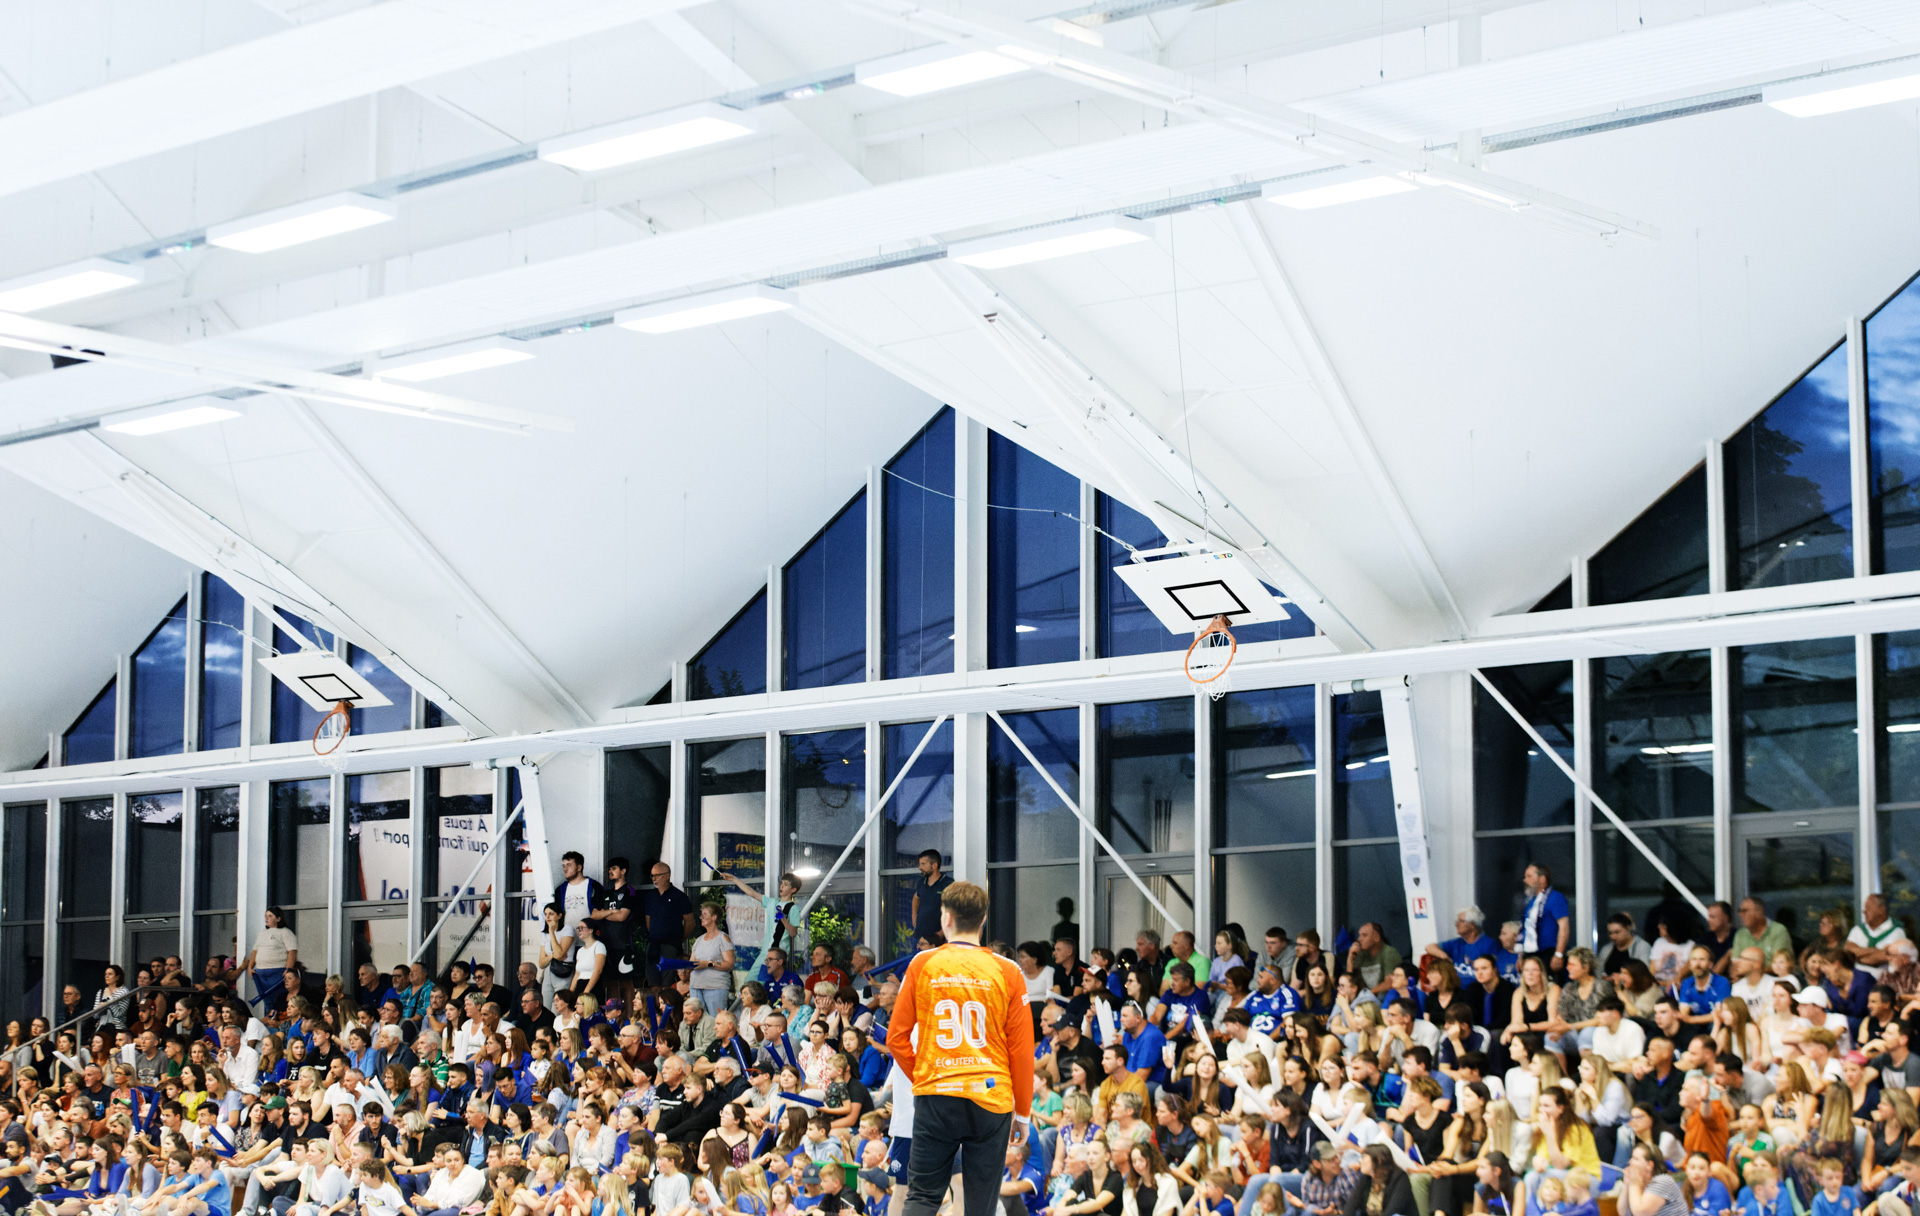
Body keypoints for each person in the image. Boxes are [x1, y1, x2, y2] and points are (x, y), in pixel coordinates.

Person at [889, 879, 1034, 1216]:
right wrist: (1023, 1113)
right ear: (983, 920)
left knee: (922, 1197)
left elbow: (896, 1038)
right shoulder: (1008, 970)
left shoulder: (922, 964)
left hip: (938, 1093)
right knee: (980, 1205)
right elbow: (1022, 1050)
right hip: (990, 1095)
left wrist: (924, 1077)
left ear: (946, 918)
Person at [640, 863, 696, 988]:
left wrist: (680, 939)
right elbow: (648, 921)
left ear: (667, 876)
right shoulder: (650, 897)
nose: (654, 878)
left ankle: (666, 1000)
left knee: (668, 981)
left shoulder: (679, 896)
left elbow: (690, 922)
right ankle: (655, 1001)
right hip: (653, 944)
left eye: (657, 875)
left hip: (671, 945)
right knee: (652, 980)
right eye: (652, 876)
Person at [241, 909, 299, 1015]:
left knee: (277, 1001)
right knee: (266, 1002)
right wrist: (250, 967)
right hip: (260, 974)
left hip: (277, 972)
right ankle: (269, 1022)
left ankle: (278, 1021)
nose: (266, 918)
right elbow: (255, 951)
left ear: (278, 918)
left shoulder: (286, 932)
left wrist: (288, 969)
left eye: (270, 916)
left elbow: (292, 952)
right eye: (266, 916)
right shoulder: (262, 933)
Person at [1520, 866, 1572, 975]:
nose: (1525, 880)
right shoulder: (1531, 901)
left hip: (1548, 953)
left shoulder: (1555, 897)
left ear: (1542, 878)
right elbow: (1526, 928)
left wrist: (1559, 954)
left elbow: (1563, 926)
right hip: (1531, 953)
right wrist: (1521, 955)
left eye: (1529, 876)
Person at [1428, 910, 1497, 985]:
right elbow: (1429, 947)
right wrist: (1444, 956)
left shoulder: (1488, 944)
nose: (1456, 924)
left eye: (1461, 921)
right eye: (1457, 921)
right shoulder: (1457, 943)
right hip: (1456, 989)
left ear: (1472, 925)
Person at [909, 851, 953, 950]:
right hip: (919, 936)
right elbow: (916, 897)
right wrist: (914, 915)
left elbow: (955, 910)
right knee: (916, 959)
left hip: (937, 939)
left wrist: (941, 933)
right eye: (920, 864)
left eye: (923, 864)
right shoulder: (921, 882)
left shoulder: (948, 884)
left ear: (934, 865)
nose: (920, 867)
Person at [1734, 900, 1794, 971]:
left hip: (1774, 977)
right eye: (1740, 911)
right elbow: (1735, 964)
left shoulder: (1778, 930)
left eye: (1745, 911)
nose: (1741, 914)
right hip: (1747, 976)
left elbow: (1782, 965)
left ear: (1759, 912)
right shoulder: (1740, 934)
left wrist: (1752, 972)